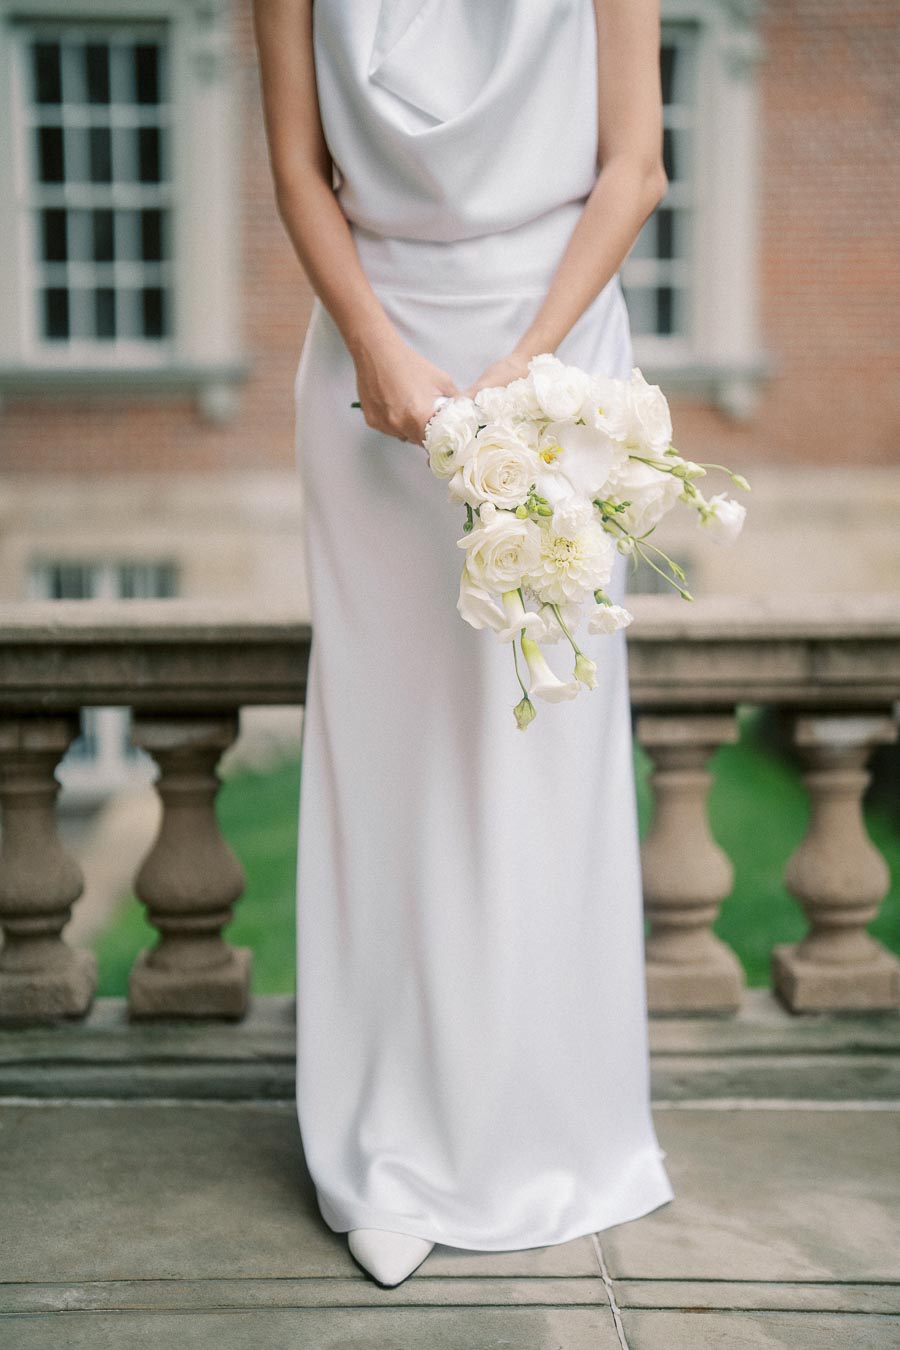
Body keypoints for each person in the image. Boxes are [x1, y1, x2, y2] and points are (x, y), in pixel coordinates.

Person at [253, 0, 675, 1290]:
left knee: (534, 743)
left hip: (554, 348)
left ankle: (555, 1120)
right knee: (395, 760)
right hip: (376, 371)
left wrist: (529, 368)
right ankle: (392, 1140)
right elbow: (296, 163)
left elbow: (635, 167)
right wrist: (378, 349)